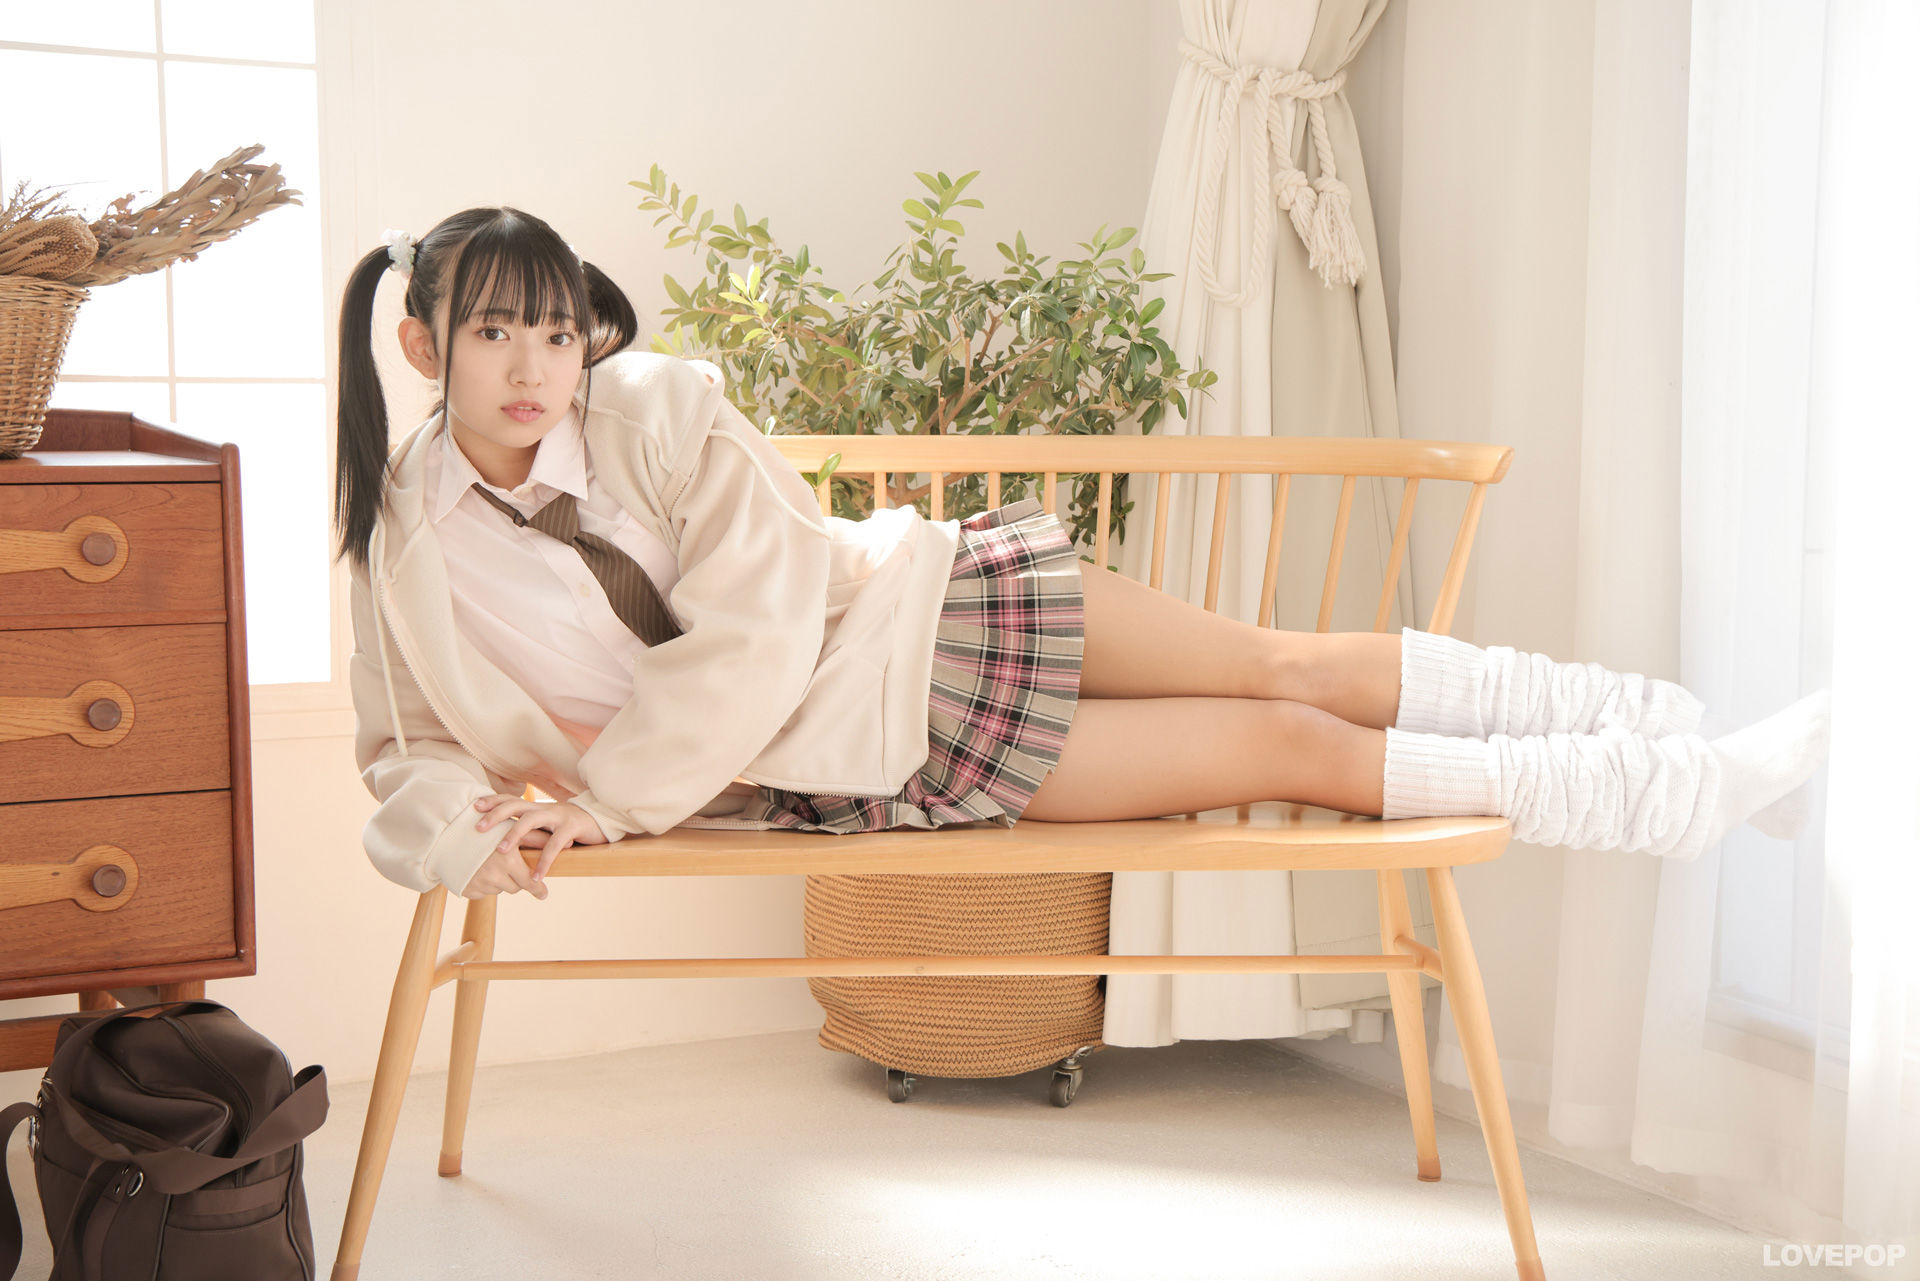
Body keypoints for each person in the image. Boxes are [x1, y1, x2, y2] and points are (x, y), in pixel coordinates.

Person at [336, 206, 1830, 902]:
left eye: (556, 331)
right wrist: (476, 833)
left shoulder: (658, 407)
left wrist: (610, 798)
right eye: (492, 331)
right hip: (878, 741)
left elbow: (765, 608)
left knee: (1287, 663)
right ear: (421, 345)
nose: (534, 367)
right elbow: (402, 752)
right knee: (1292, 742)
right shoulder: (402, 551)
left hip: (928, 600)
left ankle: (1670, 738)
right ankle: (1678, 796)